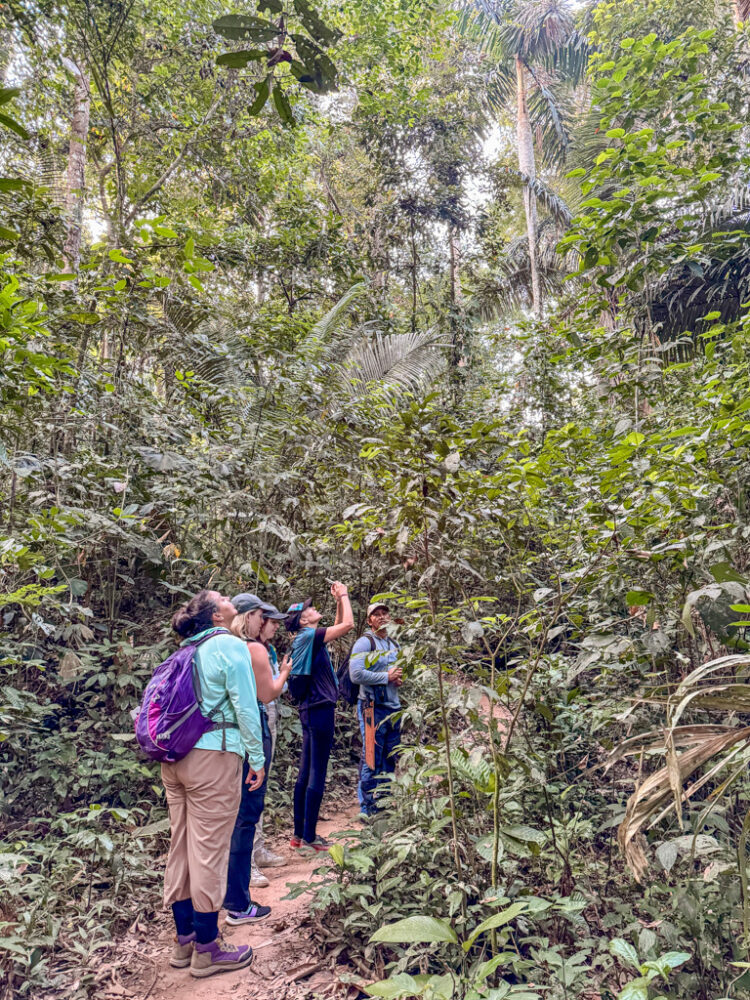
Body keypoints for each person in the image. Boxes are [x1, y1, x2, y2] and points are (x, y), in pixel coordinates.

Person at [161, 589, 265, 978]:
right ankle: (208, 950)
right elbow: (246, 707)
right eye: (220, 596)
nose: (227, 596)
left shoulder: (185, 650)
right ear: (217, 616)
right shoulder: (229, 645)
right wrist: (257, 757)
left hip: (174, 759)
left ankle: (184, 941)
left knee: (181, 848)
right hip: (213, 758)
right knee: (208, 852)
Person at [223, 593, 293, 925]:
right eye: (262, 617)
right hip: (246, 734)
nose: (268, 624)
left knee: (232, 814)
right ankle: (238, 901)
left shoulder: (221, 646)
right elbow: (262, 697)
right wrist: (285, 672)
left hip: (221, 740)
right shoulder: (252, 649)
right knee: (246, 813)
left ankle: (221, 897)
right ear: (250, 617)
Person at [286, 581, 353, 852]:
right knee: (316, 772)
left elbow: (336, 627)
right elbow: (347, 625)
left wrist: (338, 602)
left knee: (306, 771)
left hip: (309, 708)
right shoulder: (309, 637)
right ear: (303, 620)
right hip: (319, 708)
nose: (314, 609)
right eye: (310, 609)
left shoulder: (307, 638)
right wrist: (345, 595)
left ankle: (299, 835)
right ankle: (310, 837)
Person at [349, 601, 403, 818]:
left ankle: (384, 802)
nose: (381, 617)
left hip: (393, 708)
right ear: (369, 620)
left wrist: (398, 678)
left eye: (384, 613)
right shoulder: (365, 643)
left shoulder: (393, 644)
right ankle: (368, 808)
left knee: (390, 756)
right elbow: (356, 674)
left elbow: (399, 672)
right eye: (376, 614)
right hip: (371, 707)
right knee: (371, 756)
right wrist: (385, 677)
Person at [250, 603, 289, 888]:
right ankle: (247, 860)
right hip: (253, 714)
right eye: (271, 621)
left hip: (269, 713)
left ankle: (258, 849)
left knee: (261, 785)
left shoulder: (269, 650)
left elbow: (276, 689)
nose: (276, 626)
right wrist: (283, 673)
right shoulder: (250, 649)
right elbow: (270, 690)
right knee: (251, 786)